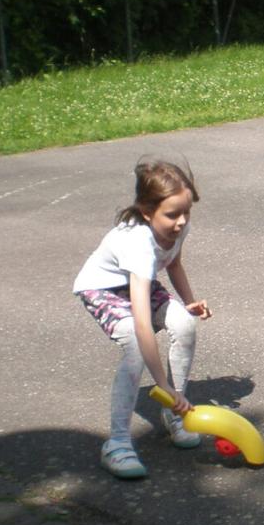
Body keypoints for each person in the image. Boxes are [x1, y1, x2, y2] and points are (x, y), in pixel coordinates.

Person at [73, 158, 211, 478]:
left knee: (184, 323)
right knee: (136, 343)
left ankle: (174, 412)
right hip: (103, 289)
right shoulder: (138, 244)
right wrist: (162, 385)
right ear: (147, 212)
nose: (181, 222)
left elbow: (174, 263)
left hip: (139, 281)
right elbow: (141, 321)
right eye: (172, 215)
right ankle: (118, 443)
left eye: (186, 212)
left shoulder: (178, 226)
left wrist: (189, 303)